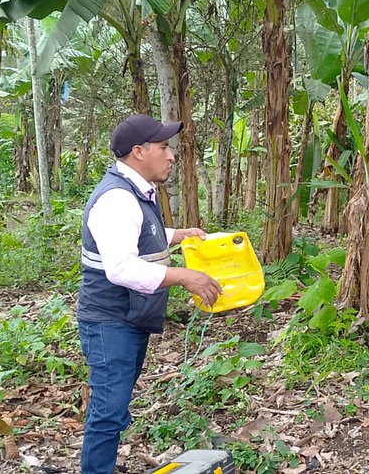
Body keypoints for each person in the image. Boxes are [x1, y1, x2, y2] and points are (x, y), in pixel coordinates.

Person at [77, 114, 223, 472]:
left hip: (129, 318)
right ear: (139, 152)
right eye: (163, 147)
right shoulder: (117, 200)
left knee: (115, 405)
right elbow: (121, 268)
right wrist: (184, 276)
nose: (171, 155)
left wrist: (179, 234)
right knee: (108, 412)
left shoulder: (135, 191)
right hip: (110, 321)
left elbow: (139, 232)